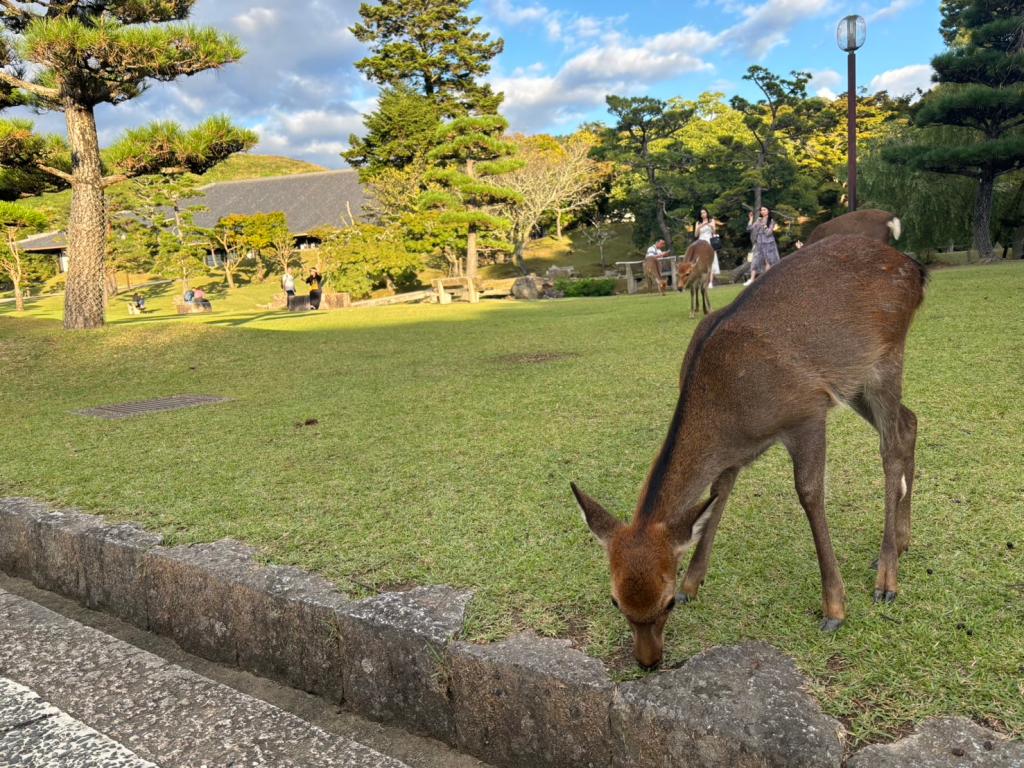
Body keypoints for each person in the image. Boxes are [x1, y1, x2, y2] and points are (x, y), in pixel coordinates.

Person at [745, 206, 780, 286]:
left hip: (769, 243)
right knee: (755, 260)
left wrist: (764, 226)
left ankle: (765, 279)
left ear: (768, 211)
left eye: (764, 210)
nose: (762, 211)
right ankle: (752, 279)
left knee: (768, 261)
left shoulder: (771, 221)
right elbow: (749, 228)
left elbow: (768, 233)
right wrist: (751, 218)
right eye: (761, 210)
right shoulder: (759, 220)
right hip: (759, 243)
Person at [693, 207, 722, 288]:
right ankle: (702, 281)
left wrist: (710, 225)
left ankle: (710, 282)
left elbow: (714, 232)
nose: (703, 214)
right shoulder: (698, 222)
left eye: (704, 213)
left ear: (707, 213)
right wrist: (700, 226)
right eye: (701, 213)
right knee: (701, 261)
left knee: (711, 262)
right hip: (701, 241)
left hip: (709, 241)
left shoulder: (711, 220)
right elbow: (696, 235)